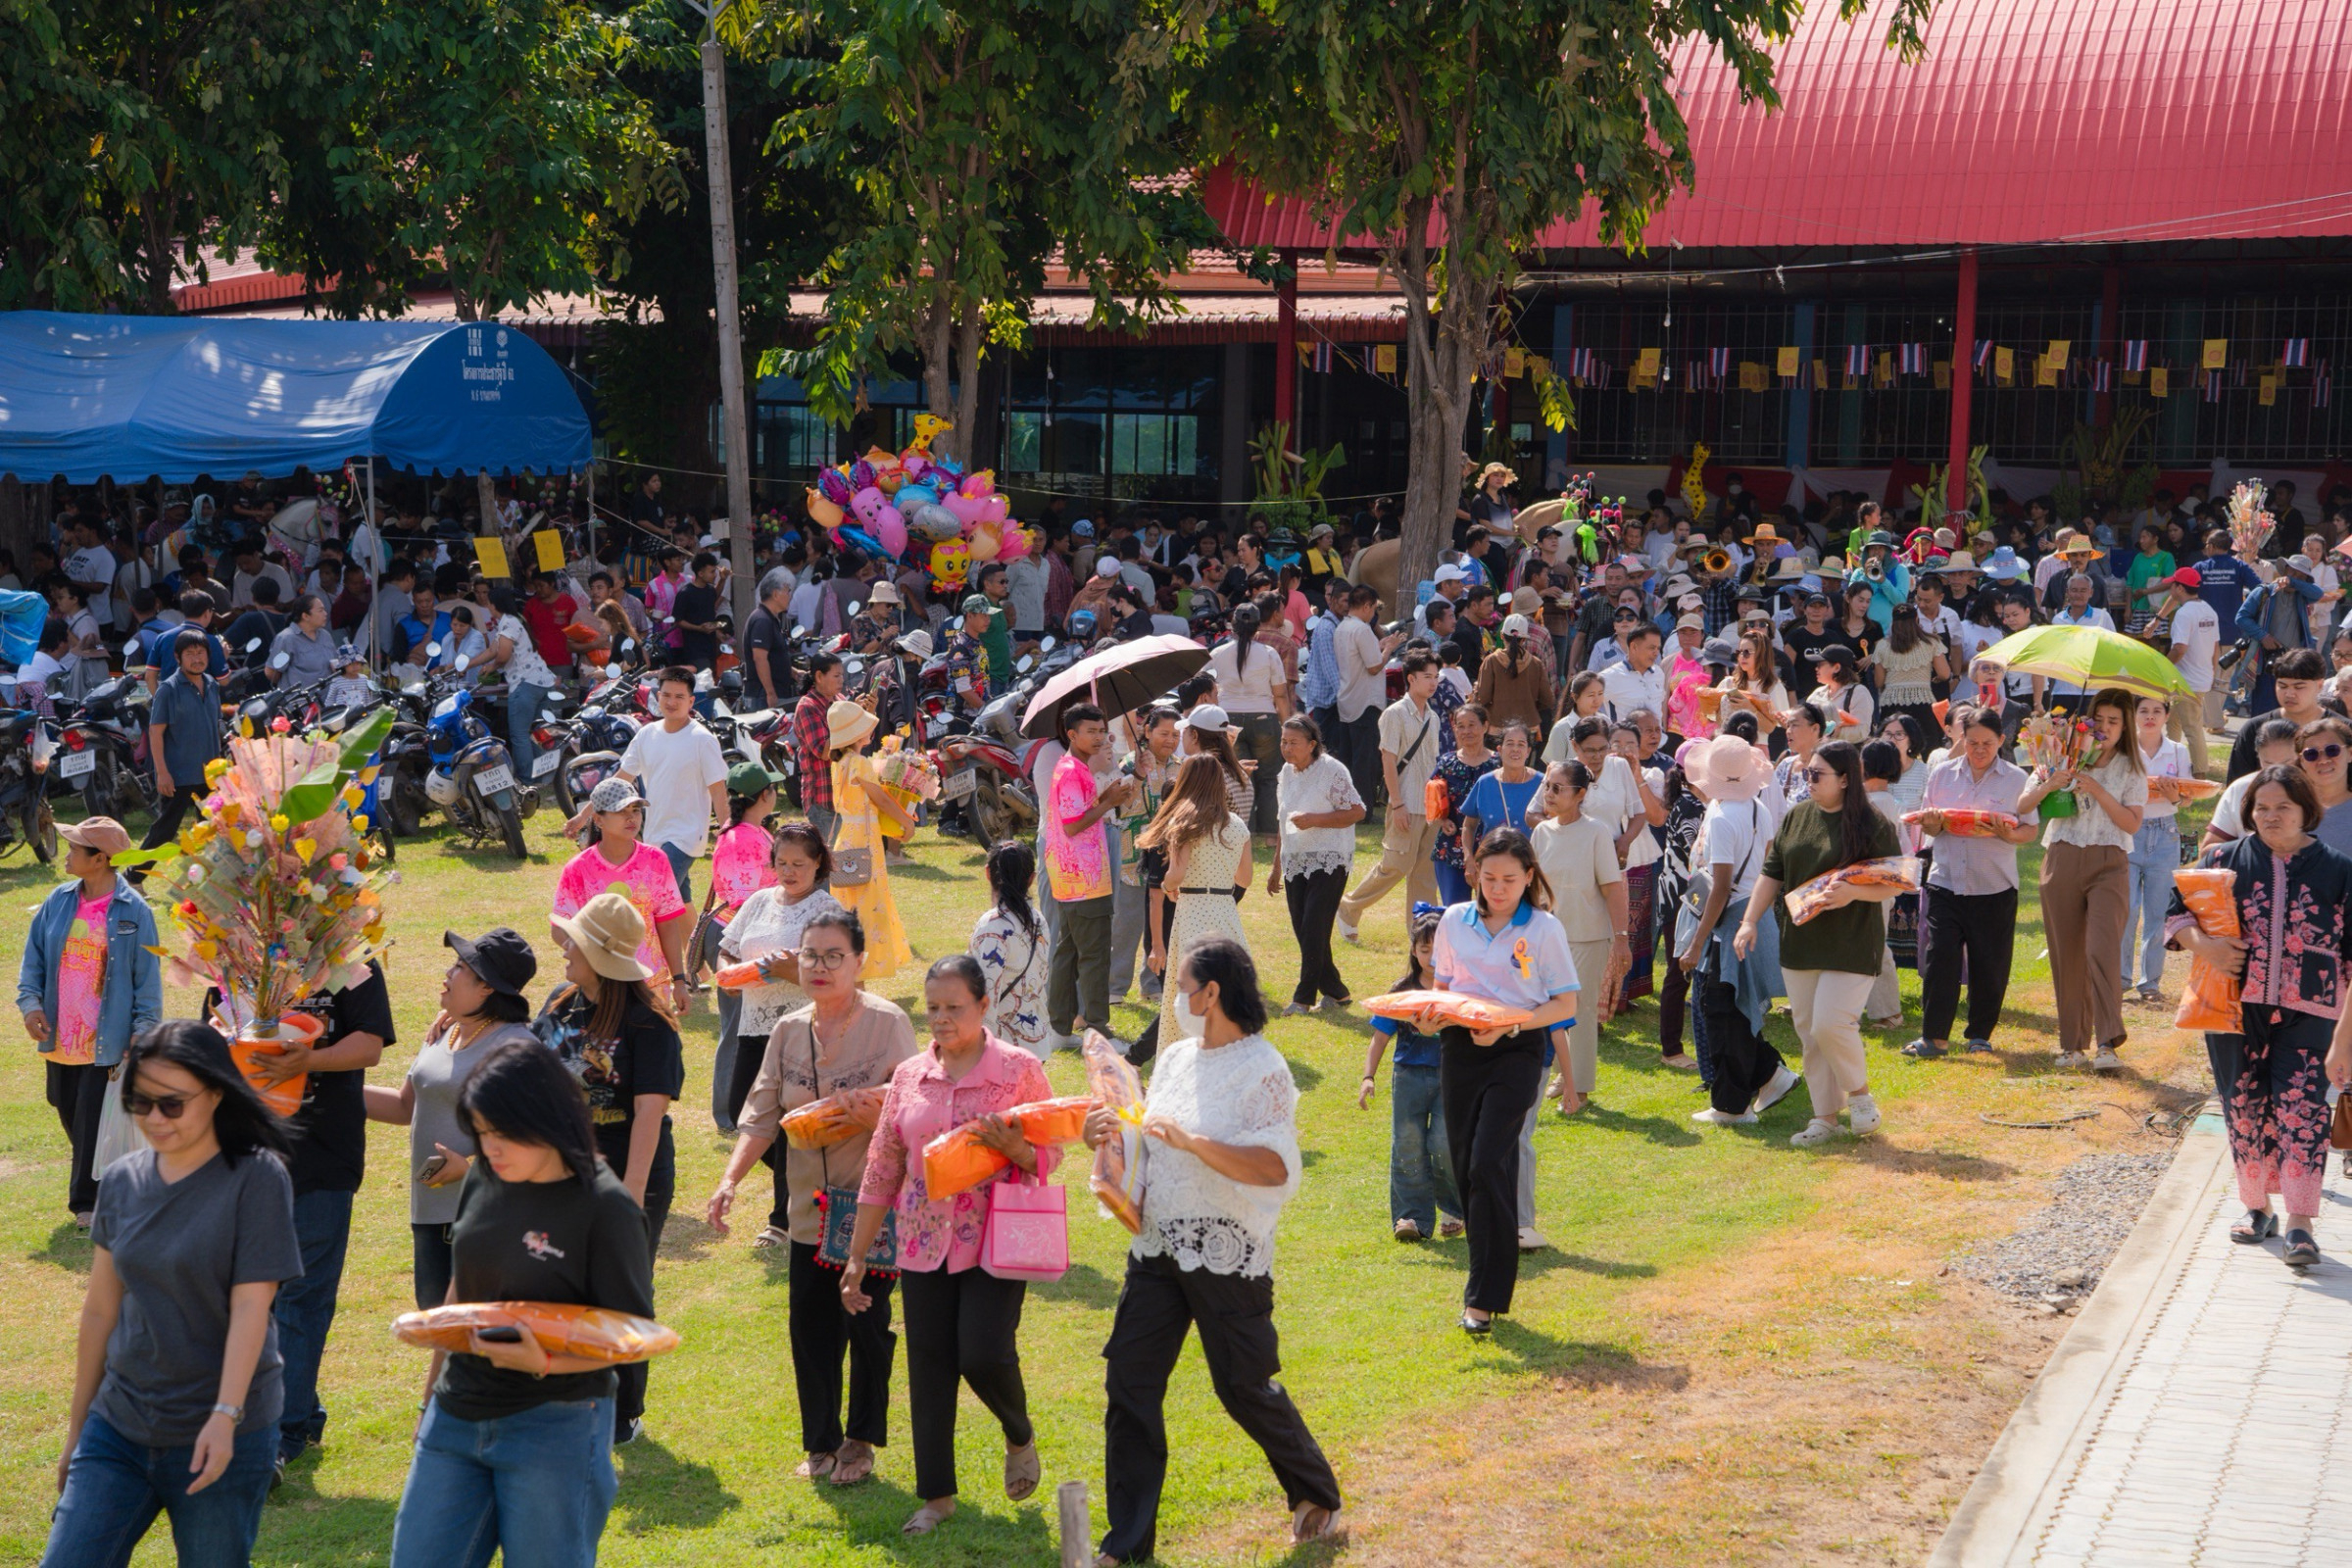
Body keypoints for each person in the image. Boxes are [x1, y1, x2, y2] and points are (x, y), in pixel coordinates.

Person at [1085, 939, 1345, 1563]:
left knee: (1244, 1386)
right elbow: (1149, 1138)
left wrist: (1199, 1143)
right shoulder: (1172, 1058)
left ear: (1213, 994)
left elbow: (1276, 1168)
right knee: (1130, 1384)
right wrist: (1106, 1136)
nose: (1175, 995)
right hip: (1156, 1249)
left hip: (1227, 1253)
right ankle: (1128, 1543)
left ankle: (1314, 1492)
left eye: (1184, 985)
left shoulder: (1265, 1069)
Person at [384, 1039, 653, 1568]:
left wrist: (545, 1361)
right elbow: (463, 1291)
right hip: (457, 1415)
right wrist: (429, 1401)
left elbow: (630, 1337)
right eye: (480, 1133)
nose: (490, 1148)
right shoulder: (486, 1172)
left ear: (548, 1119)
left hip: (555, 1428)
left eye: (501, 1133)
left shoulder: (605, 1208)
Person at [42, 1021, 300, 1568]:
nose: (154, 1119)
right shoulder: (121, 1181)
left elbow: (252, 1306)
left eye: (172, 1104)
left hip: (221, 1430)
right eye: (140, 1101)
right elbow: (99, 1311)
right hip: (118, 1424)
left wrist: (225, 1417)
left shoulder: (257, 1178)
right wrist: (77, 1430)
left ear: (216, 1093)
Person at [842, 955, 1056, 1538]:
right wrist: (858, 1256)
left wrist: (1010, 1148)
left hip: (995, 1236)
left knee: (983, 1351)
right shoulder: (910, 1075)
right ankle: (937, 1498)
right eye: (932, 1008)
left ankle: (1019, 1433)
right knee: (930, 1366)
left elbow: (1048, 1155)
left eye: (952, 1008)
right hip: (920, 1237)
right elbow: (883, 1166)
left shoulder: (1019, 1070)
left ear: (983, 1007)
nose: (939, 1018)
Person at [708, 906, 917, 1484]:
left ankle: (860, 1442)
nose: (820, 967)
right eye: (809, 955)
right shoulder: (787, 1029)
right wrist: (729, 1181)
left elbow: (911, 1105)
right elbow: (761, 1114)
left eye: (833, 956)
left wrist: (862, 1105)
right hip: (807, 1207)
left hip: (870, 1203)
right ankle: (820, 1441)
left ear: (858, 962)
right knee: (810, 1324)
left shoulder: (888, 1021)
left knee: (866, 1324)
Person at [2170, 765, 2352, 1271]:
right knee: (2244, 1108)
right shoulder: (2220, 860)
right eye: (2261, 807)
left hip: (2312, 1012)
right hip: (2233, 1007)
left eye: (2283, 807)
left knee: (2303, 1111)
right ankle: (2257, 1207)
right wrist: (2206, 947)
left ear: (2306, 810)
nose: (2270, 816)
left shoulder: (2339, 869)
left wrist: (2345, 1038)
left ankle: (2301, 1223)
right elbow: (2176, 913)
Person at [1417, 830, 1581, 1331]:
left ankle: (1482, 1299)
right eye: (1488, 878)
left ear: (1529, 876)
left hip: (1518, 1052)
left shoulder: (1545, 928)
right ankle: (1485, 1278)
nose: (1498, 888)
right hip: (1461, 1050)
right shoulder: (1453, 921)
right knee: (1468, 1167)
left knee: (1490, 1161)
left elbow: (1564, 1005)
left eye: (1509, 878)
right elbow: (1443, 991)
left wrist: (1509, 1023)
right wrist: (1431, 1019)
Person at [538, 893, 685, 1447]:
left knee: (622, 1287)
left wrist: (630, 1195)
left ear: (599, 954)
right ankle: (572, 1393)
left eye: (573, 942)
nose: (564, 950)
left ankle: (624, 1410)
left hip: (631, 1170)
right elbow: (532, 1072)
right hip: (567, 1172)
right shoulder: (560, 1004)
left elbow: (649, 1112)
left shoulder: (649, 1024)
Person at [243, 954, 396, 1477]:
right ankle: (297, 1412)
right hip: (248, 1156)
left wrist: (304, 1061)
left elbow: (370, 1045)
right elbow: (216, 1030)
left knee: (302, 1297)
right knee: (253, 1295)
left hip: (323, 1154)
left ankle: (281, 1432)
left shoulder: (352, 959)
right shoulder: (241, 951)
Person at [1734, 740, 1901, 1147]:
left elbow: (1893, 880)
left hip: (1852, 943)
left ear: (1845, 780)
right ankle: (1825, 1118)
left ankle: (1860, 1097)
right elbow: (1771, 874)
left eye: (1815, 774)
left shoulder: (1872, 822)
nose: (1806, 780)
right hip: (1801, 944)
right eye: (1805, 773)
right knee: (1810, 1033)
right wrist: (1749, 921)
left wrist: (1853, 894)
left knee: (1831, 1023)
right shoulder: (1796, 817)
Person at [363, 930, 540, 1309]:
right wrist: (328, 1089)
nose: (447, 972)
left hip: (483, 1215)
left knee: (478, 1340)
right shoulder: (446, 1032)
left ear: (486, 988)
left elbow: (537, 1141)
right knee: (438, 1324)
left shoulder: (516, 1049)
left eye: (460, 967)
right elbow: (403, 1107)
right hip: (429, 1208)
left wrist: (471, 1167)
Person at [19, 817, 161, 1227]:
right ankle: (118, 1186)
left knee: (91, 1118)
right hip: (61, 1038)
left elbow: (146, 980)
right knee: (67, 1109)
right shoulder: (57, 901)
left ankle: (86, 1204)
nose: (67, 852)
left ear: (99, 859)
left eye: (75, 848)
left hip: (108, 1041)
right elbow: (34, 961)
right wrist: (31, 1006)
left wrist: (142, 1032)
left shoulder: (135, 911)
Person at [713, 820, 847, 1208]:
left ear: (818, 864)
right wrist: (728, 971)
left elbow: (842, 976)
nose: (789, 872)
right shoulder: (759, 901)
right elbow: (729, 947)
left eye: (799, 865)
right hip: (753, 1025)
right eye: (782, 863)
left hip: (803, 1030)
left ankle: (781, 1219)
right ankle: (812, 1178)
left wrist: (798, 971)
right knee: (743, 1110)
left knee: (790, 1123)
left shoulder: (827, 910)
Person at [2019, 688, 2149, 1072]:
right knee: (2067, 955)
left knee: (2102, 948)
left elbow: (2131, 823)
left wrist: (2097, 789)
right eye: (2101, 720)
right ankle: (2072, 1045)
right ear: (2089, 721)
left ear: (2126, 727)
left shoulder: (2131, 767)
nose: (2106, 728)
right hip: (2061, 854)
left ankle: (2108, 1043)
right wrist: (2051, 782)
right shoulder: (2063, 752)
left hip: (2110, 861)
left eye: (2115, 722)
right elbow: (2023, 805)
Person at [1674, 738, 1797, 1124]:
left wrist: (1695, 945)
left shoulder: (1725, 816)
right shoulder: (1756, 807)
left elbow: (1721, 886)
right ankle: (1770, 1074)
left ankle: (1732, 1106)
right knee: (1732, 1010)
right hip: (1751, 915)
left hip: (1729, 923)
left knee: (1723, 1013)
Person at [1905, 708, 2041, 1059]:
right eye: (1972, 742)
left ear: (2001, 741)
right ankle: (1934, 1038)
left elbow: (2030, 829)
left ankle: (1979, 1034)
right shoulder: (1941, 774)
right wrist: (1934, 824)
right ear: (1960, 739)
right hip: (1945, 880)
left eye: (1987, 743)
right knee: (1940, 959)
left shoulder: (2016, 779)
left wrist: (2007, 834)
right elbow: (1927, 824)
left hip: (1993, 885)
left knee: (1989, 964)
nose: (1979, 749)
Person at [1359, 907, 1464, 1243]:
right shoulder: (1402, 990)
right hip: (1408, 1075)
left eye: (1439, 949)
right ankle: (1411, 1217)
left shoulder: (1461, 986)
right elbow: (1379, 1037)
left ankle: (1455, 1207)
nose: (1432, 958)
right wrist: (1368, 1077)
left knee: (1445, 1143)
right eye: (1424, 950)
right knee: (1407, 1143)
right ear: (1413, 952)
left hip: (1452, 1076)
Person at [1531, 761, 1630, 1111]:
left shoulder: (1597, 832)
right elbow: (1533, 887)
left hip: (1589, 935)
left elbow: (1612, 887)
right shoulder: (1541, 833)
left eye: (1558, 788)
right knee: (1554, 1008)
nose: (1550, 794)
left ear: (1580, 794)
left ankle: (1581, 1090)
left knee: (1582, 1011)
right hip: (1550, 937)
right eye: (1547, 786)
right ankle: (1562, 1074)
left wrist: (1621, 938)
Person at [1043, 704, 1141, 1050]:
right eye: (1092, 731)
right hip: (1083, 877)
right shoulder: (1072, 771)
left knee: (1067, 952)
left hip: (1071, 877)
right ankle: (1099, 1031)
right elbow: (1073, 825)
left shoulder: (1073, 767)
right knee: (1095, 954)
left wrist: (1106, 798)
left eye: (1102, 730)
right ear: (1072, 735)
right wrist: (1108, 801)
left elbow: (1077, 814)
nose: (1100, 737)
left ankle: (1059, 1030)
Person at [587, 666, 730, 902]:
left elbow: (718, 792)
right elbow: (617, 782)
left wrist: (726, 839)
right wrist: (582, 817)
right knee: (680, 901)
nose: (672, 702)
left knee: (654, 897)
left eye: (679, 697)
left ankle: (654, 940)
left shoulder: (702, 739)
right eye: (666, 695)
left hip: (686, 838)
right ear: (657, 697)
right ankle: (696, 939)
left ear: (691, 701)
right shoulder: (646, 734)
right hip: (655, 835)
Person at [551, 778, 692, 1014]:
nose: (632, 818)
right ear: (597, 819)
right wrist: (592, 960)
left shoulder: (656, 861)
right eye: (621, 811)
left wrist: (679, 980)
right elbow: (559, 928)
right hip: (601, 988)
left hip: (652, 984)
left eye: (636, 810)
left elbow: (667, 923)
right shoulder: (578, 869)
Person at [1335, 647, 1445, 942]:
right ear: (1411, 679)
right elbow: (1388, 760)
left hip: (1430, 805)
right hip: (1405, 801)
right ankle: (1348, 906)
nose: (1433, 682)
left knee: (1424, 873)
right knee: (1395, 865)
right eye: (1426, 676)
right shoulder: (1395, 714)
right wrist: (1397, 805)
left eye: (1436, 676)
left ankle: (1419, 934)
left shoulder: (1433, 717)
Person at [1270, 714, 1363, 1014]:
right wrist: (1275, 868)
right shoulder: (1285, 773)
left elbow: (1357, 811)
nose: (1286, 748)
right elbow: (1282, 822)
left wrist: (1315, 820)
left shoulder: (1332, 771)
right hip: (1294, 861)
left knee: (1313, 927)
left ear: (1312, 744)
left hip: (1330, 859)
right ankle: (1336, 991)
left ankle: (1303, 998)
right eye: (1283, 741)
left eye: (1293, 743)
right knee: (1305, 929)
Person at [826, 698, 917, 982]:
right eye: (864, 727)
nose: (870, 731)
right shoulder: (860, 763)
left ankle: (850, 966)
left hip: (847, 837)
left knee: (850, 900)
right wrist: (906, 819)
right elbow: (880, 799)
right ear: (853, 735)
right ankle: (861, 968)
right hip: (863, 841)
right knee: (868, 901)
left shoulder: (840, 764)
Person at [2123, 695, 2191, 1004]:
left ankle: (2149, 983)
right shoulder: (2123, 749)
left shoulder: (2177, 751)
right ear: (2134, 715)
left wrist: (2174, 795)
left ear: (2166, 716)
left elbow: (2187, 797)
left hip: (2166, 833)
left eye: (2157, 711)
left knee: (2157, 912)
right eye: (2144, 711)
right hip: (2129, 831)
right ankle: (2121, 978)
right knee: (2126, 909)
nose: (2150, 717)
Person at [1207, 603, 1290, 846]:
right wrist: (1286, 727)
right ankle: (1270, 836)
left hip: (1228, 721)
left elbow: (1206, 685)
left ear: (1232, 626)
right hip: (1264, 719)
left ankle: (1243, 835)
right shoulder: (1268, 653)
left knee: (1237, 778)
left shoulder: (1217, 654)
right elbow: (1281, 695)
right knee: (1268, 778)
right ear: (1257, 628)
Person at [141, 629, 227, 856]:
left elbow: (214, 725)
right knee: (166, 830)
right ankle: (134, 875)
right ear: (177, 657)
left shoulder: (211, 684)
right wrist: (162, 773)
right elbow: (155, 732)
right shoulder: (168, 689)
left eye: (201, 653)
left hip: (208, 773)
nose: (197, 659)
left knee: (212, 829)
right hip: (179, 774)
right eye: (190, 654)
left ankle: (210, 881)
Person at [971, 840, 1050, 1056]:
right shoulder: (1039, 920)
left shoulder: (992, 926)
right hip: (1036, 1042)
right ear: (1032, 878)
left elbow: (985, 992)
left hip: (1002, 1049)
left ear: (988, 873)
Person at [1428, 702, 1497, 905]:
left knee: (1493, 909)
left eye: (1472, 724)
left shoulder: (1499, 764)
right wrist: (1441, 819)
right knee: (1455, 912)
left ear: (1485, 726)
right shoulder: (1446, 763)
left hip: (1492, 847)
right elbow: (1432, 796)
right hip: (1450, 848)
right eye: (1461, 725)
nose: (1466, 731)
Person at [792, 652, 851, 839]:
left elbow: (862, 738)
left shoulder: (840, 700)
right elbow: (824, 751)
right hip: (823, 797)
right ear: (819, 676)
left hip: (847, 795)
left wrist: (865, 712)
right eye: (836, 675)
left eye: (842, 675)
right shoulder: (807, 706)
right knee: (828, 860)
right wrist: (850, 720)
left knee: (851, 860)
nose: (841, 679)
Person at [1458, 720, 1543, 847]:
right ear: (1500, 750)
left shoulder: (1542, 783)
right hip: (1492, 861)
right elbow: (1469, 826)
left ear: (1528, 752)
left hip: (1531, 862)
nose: (1515, 749)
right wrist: (1469, 859)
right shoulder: (1485, 783)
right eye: (1509, 744)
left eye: (1521, 744)